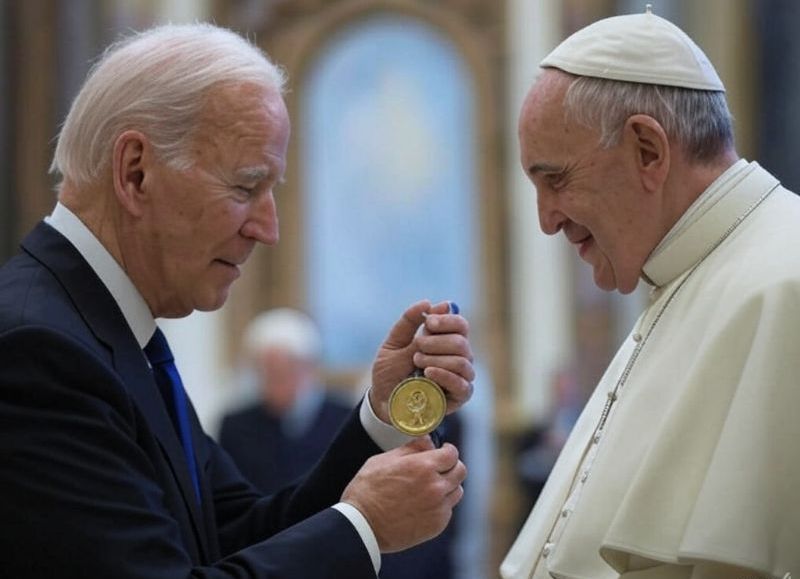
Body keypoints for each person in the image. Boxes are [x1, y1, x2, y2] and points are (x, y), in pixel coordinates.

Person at [0, 23, 475, 578]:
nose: (268, 229)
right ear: (136, 172)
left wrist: (385, 417)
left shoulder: (107, 332)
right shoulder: (38, 351)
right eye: (246, 188)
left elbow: (233, 535)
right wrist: (363, 527)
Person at [502, 9, 799, 579]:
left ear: (648, 151)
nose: (546, 220)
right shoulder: (680, 282)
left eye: (556, 180)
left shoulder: (787, 284)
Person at [218, 308, 352, 495]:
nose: (274, 382)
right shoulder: (236, 426)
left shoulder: (345, 419)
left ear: (309, 368)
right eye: (266, 372)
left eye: (284, 372)